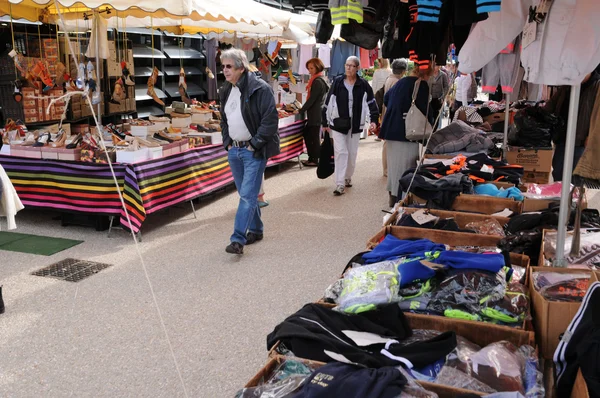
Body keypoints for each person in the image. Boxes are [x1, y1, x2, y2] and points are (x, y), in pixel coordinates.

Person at [220, 48, 279, 255]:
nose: (225, 70)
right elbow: (224, 120)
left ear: (241, 67)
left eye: (229, 66)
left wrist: (255, 144)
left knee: (246, 196)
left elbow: (270, 119)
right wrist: (227, 142)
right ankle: (256, 229)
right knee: (247, 194)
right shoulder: (227, 89)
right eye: (223, 66)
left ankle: (237, 239)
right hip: (234, 151)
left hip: (253, 151)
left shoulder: (260, 88)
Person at [322, 56, 379, 196]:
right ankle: (339, 183)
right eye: (347, 65)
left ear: (357, 68)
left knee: (352, 154)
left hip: (355, 125)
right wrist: (324, 121)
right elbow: (328, 101)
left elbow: (372, 103)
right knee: (341, 152)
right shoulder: (338, 82)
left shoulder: (363, 84)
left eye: (352, 66)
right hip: (338, 123)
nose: (348, 68)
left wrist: (374, 120)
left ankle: (347, 177)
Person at [380, 65, 432, 207]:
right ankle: (400, 199)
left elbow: (385, 98)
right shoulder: (421, 85)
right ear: (427, 74)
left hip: (391, 129)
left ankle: (392, 195)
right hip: (408, 132)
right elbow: (425, 110)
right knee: (406, 167)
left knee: (394, 167)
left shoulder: (401, 82)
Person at [545, 68, 600, 181]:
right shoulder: (568, 84)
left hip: (581, 140)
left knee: (575, 177)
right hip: (562, 136)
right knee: (558, 172)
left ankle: (573, 198)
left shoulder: (597, 87)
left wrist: (591, 136)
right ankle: (558, 198)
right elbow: (553, 103)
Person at [296, 58, 328, 167]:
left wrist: (301, 110)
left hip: (315, 113)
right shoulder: (320, 79)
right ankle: (314, 158)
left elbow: (312, 99)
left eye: (311, 68)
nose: (309, 70)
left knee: (312, 136)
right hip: (316, 113)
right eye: (309, 68)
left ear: (317, 67)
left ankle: (315, 159)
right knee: (311, 135)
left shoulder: (317, 81)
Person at [381, 59, 408, 177]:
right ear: (402, 71)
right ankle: (387, 169)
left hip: (386, 113)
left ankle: (386, 169)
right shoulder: (397, 82)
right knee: (390, 144)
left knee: (387, 143)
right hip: (392, 115)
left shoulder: (389, 79)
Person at [429, 65, 449, 130]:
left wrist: (443, 96)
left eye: (437, 66)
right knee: (429, 114)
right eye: (434, 66)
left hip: (438, 98)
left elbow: (446, 87)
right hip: (429, 98)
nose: (435, 67)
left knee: (436, 115)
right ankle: (429, 129)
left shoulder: (443, 75)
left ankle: (435, 130)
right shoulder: (429, 74)